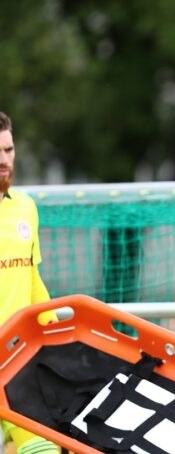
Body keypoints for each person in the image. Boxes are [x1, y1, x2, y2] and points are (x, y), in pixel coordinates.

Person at [0, 111, 59, 453]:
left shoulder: (26, 208)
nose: (4, 160)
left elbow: (32, 280)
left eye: (8, 150)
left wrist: (56, 336)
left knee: (45, 448)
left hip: (18, 360)